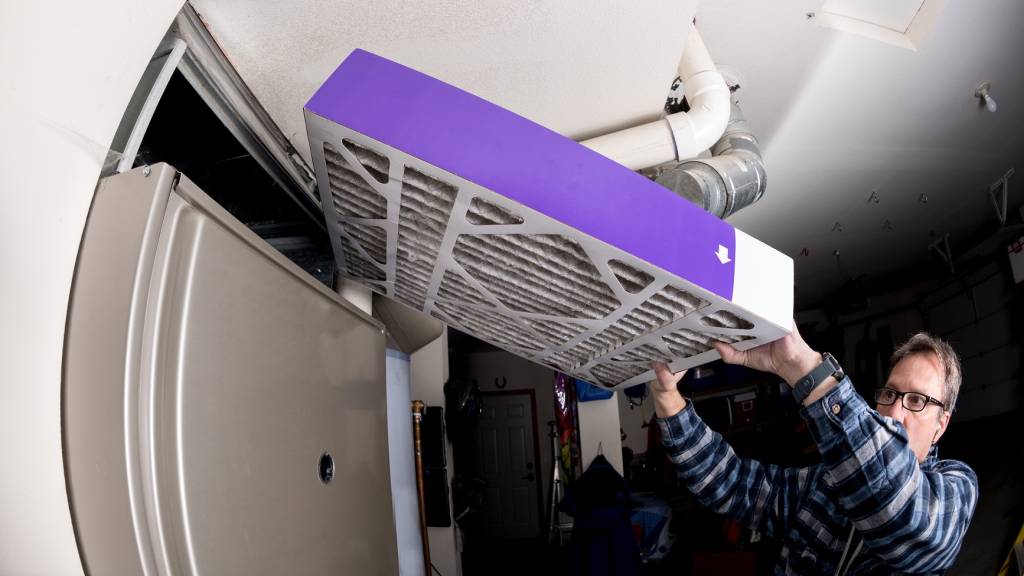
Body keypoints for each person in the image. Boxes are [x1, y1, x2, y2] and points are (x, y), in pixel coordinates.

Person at [649, 324, 978, 575]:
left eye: (917, 400)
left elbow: (904, 517)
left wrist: (801, 367)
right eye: (890, 394)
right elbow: (733, 484)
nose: (893, 413)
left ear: (941, 424)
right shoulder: (826, 482)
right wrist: (668, 399)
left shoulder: (955, 488)